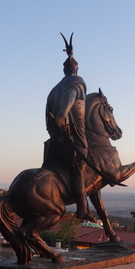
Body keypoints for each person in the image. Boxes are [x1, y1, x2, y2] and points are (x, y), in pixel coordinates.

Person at [44, 33, 94, 222]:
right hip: (73, 134)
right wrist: (63, 115)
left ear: (64, 69)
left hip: (56, 138)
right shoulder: (76, 82)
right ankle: (82, 208)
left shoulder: (52, 90)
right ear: (75, 68)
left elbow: (46, 115)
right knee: (79, 166)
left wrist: (55, 128)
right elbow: (71, 95)